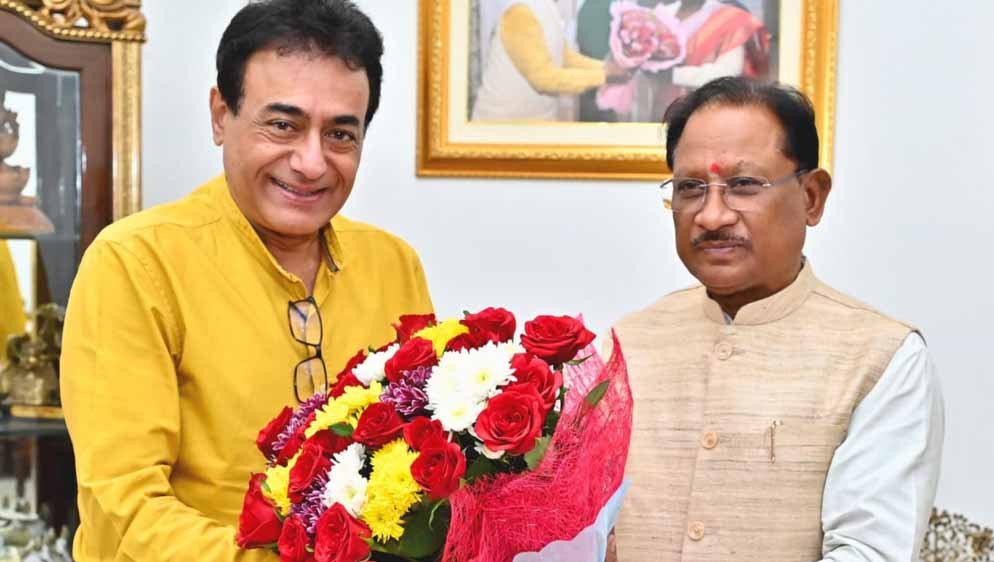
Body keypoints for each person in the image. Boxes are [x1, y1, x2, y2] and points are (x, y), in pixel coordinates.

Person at [60, 1, 433, 560]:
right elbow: (126, 510)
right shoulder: (136, 264)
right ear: (220, 114)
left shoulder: (393, 263)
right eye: (282, 125)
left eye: (340, 134)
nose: (311, 162)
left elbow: (421, 458)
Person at [609, 77, 943, 561]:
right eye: (691, 188)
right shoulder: (622, 346)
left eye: (744, 185)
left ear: (812, 197)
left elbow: (868, 553)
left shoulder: (881, 358)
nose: (712, 216)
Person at [472, 0, 627, 121]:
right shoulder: (520, 11)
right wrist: (604, 75)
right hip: (501, 127)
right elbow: (543, 79)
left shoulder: (548, 7)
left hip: (536, 123)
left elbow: (564, 57)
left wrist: (606, 67)